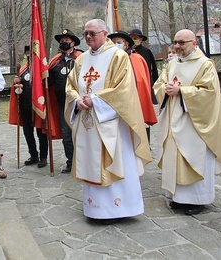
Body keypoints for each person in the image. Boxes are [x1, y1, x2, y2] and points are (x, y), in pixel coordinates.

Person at [65, 19, 151, 224]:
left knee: (115, 160)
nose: (87, 37)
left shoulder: (118, 56)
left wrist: (95, 100)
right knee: (91, 160)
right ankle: (94, 207)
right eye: (85, 33)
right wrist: (77, 100)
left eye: (92, 33)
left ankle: (116, 208)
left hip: (111, 122)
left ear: (105, 33)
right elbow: (70, 86)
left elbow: (124, 89)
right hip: (87, 122)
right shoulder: (81, 59)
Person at [154, 29, 221, 216]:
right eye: (176, 42)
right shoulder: (172, 64)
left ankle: (197, 200)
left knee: (193, 157)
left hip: (194, 122)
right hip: (174, 119)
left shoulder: (205, 65)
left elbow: (209, 93)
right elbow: (159, 84)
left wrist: (182, 92)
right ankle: (178, 198)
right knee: (175, 157)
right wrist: (165, 88)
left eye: (182, 42)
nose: (178, 46)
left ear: (194, 42)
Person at [48, 29, 82, 173]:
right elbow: (48, 83)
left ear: (73, 42)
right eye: (62, 40)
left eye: (67, 40)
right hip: (63, 104)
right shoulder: (55, 62)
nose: (64, 42)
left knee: (82, 133)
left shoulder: (81, 58)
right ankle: (71, 162)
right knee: (66, 134)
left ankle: (84, 162)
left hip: (80, 104)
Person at [9, 46, 49, 168]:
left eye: (32, 52)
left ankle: (43, 157)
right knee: (27, 132)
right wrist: (16, 83)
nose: (29, 54)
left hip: (38, 107)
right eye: (28, 52)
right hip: (25, 107)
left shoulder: (42, 70)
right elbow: (18, 89)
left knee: (41, 133)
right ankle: (34, 155)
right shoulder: (22, 70)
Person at [108, 30, 157, 128]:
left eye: (119, 42)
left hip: (133, 103)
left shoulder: (136, 58)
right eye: (113, 42)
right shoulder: (109, 59)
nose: (115, 45)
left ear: (126, 45)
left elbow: (140, 82)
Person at [129, 28, 159, 104]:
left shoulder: (146, 52)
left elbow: (153, 69)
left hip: (144, 79)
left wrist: (155, 83)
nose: (133, 40)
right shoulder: (126, 52)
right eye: (131, 38)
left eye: (135, 38)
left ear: (141, 39)